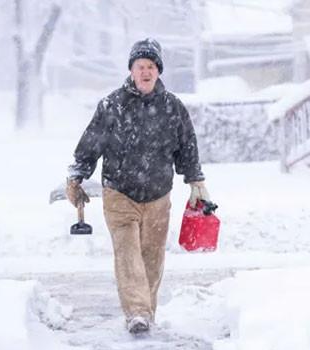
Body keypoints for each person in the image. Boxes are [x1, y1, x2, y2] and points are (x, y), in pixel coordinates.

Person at [65, 38, 211, 334]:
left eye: (151, 66)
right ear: (131, 70)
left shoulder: (172, 108)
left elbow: (187, 147)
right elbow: (90, 144)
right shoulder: (111, 106)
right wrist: (77, 175)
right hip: (119, 192)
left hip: (158, 193)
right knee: (128, 251)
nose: (145, 72)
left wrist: (195, 180)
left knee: (152, 255)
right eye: (140, 66)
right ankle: (137, 313)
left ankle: (147, 311)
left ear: (159, 71)